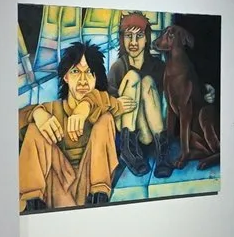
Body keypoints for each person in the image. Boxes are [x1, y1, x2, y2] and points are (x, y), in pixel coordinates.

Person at [19, 42, 120, 209]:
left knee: (105, 119)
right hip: (58, 186)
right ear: (65, 77)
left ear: (96, 78)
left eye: (89, 72)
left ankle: (100, 193)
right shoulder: (53, 110)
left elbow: (114, 104)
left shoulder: (102, 102)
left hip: (90, 185)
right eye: (75, 71)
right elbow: (14, 120)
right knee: (35, 129)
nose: (83, 81)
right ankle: (30, 201)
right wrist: (36, 113)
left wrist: (85, 106)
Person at [108, 11, 182, 177]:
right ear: (122, 38)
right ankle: (128, 151)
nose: (133, 42)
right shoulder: (118, 67)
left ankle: (162, 154)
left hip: (150, 130)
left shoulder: (158, 66)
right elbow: (105, 100)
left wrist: (204, 90)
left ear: (146, 38)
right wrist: (116, 103)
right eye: (129, 36)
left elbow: (178, 89)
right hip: (128, 125)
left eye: (139, 36)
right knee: (133, 77)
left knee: (147, 81)